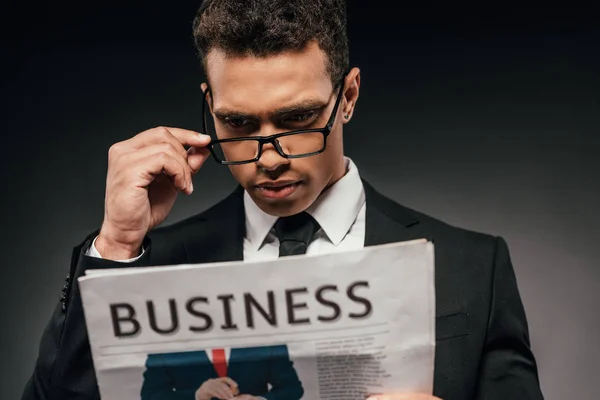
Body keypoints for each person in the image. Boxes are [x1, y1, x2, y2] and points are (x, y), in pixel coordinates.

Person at [21, 0, 544, 399]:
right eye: (239, 124)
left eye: (297, 120)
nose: (269, 159)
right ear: (210, 106)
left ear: (350, 97)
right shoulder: (148, 265)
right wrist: (116, 244)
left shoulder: (474, 266)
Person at [140, 345, 303, 400]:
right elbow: (151, 394)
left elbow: (292, 388)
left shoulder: (266, 339)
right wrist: (196, 395)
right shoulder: (166, 345)